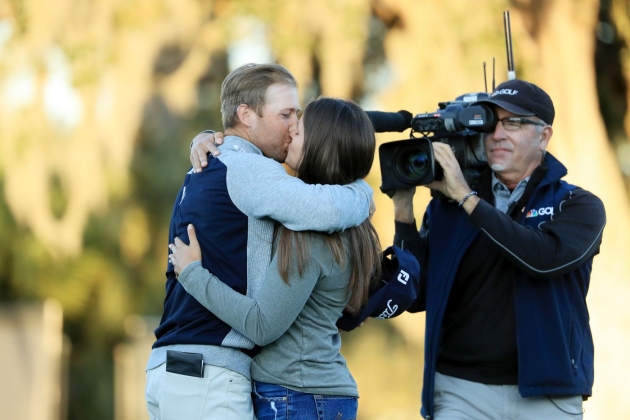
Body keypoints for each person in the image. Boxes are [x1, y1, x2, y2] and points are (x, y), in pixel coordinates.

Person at [145, 64, 374, 420]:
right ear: (245, 115)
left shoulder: (210, 164)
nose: (293, 125)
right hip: (208, 379)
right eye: (285, 114)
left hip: (174, 369)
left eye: (296, 116)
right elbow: (325, 208)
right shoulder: (252, 171)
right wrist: (362, 191)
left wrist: (204, 136)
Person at [392, 79, 606, 419]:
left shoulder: (577, 205)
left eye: (514, 123)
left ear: (544, 136)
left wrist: (466, 196)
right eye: (491, 122)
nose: (498, 134)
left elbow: (541, 259)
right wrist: (403, 212)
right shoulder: (448, 207)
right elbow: (416, 295)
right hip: (460, 391)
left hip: (548, 393)